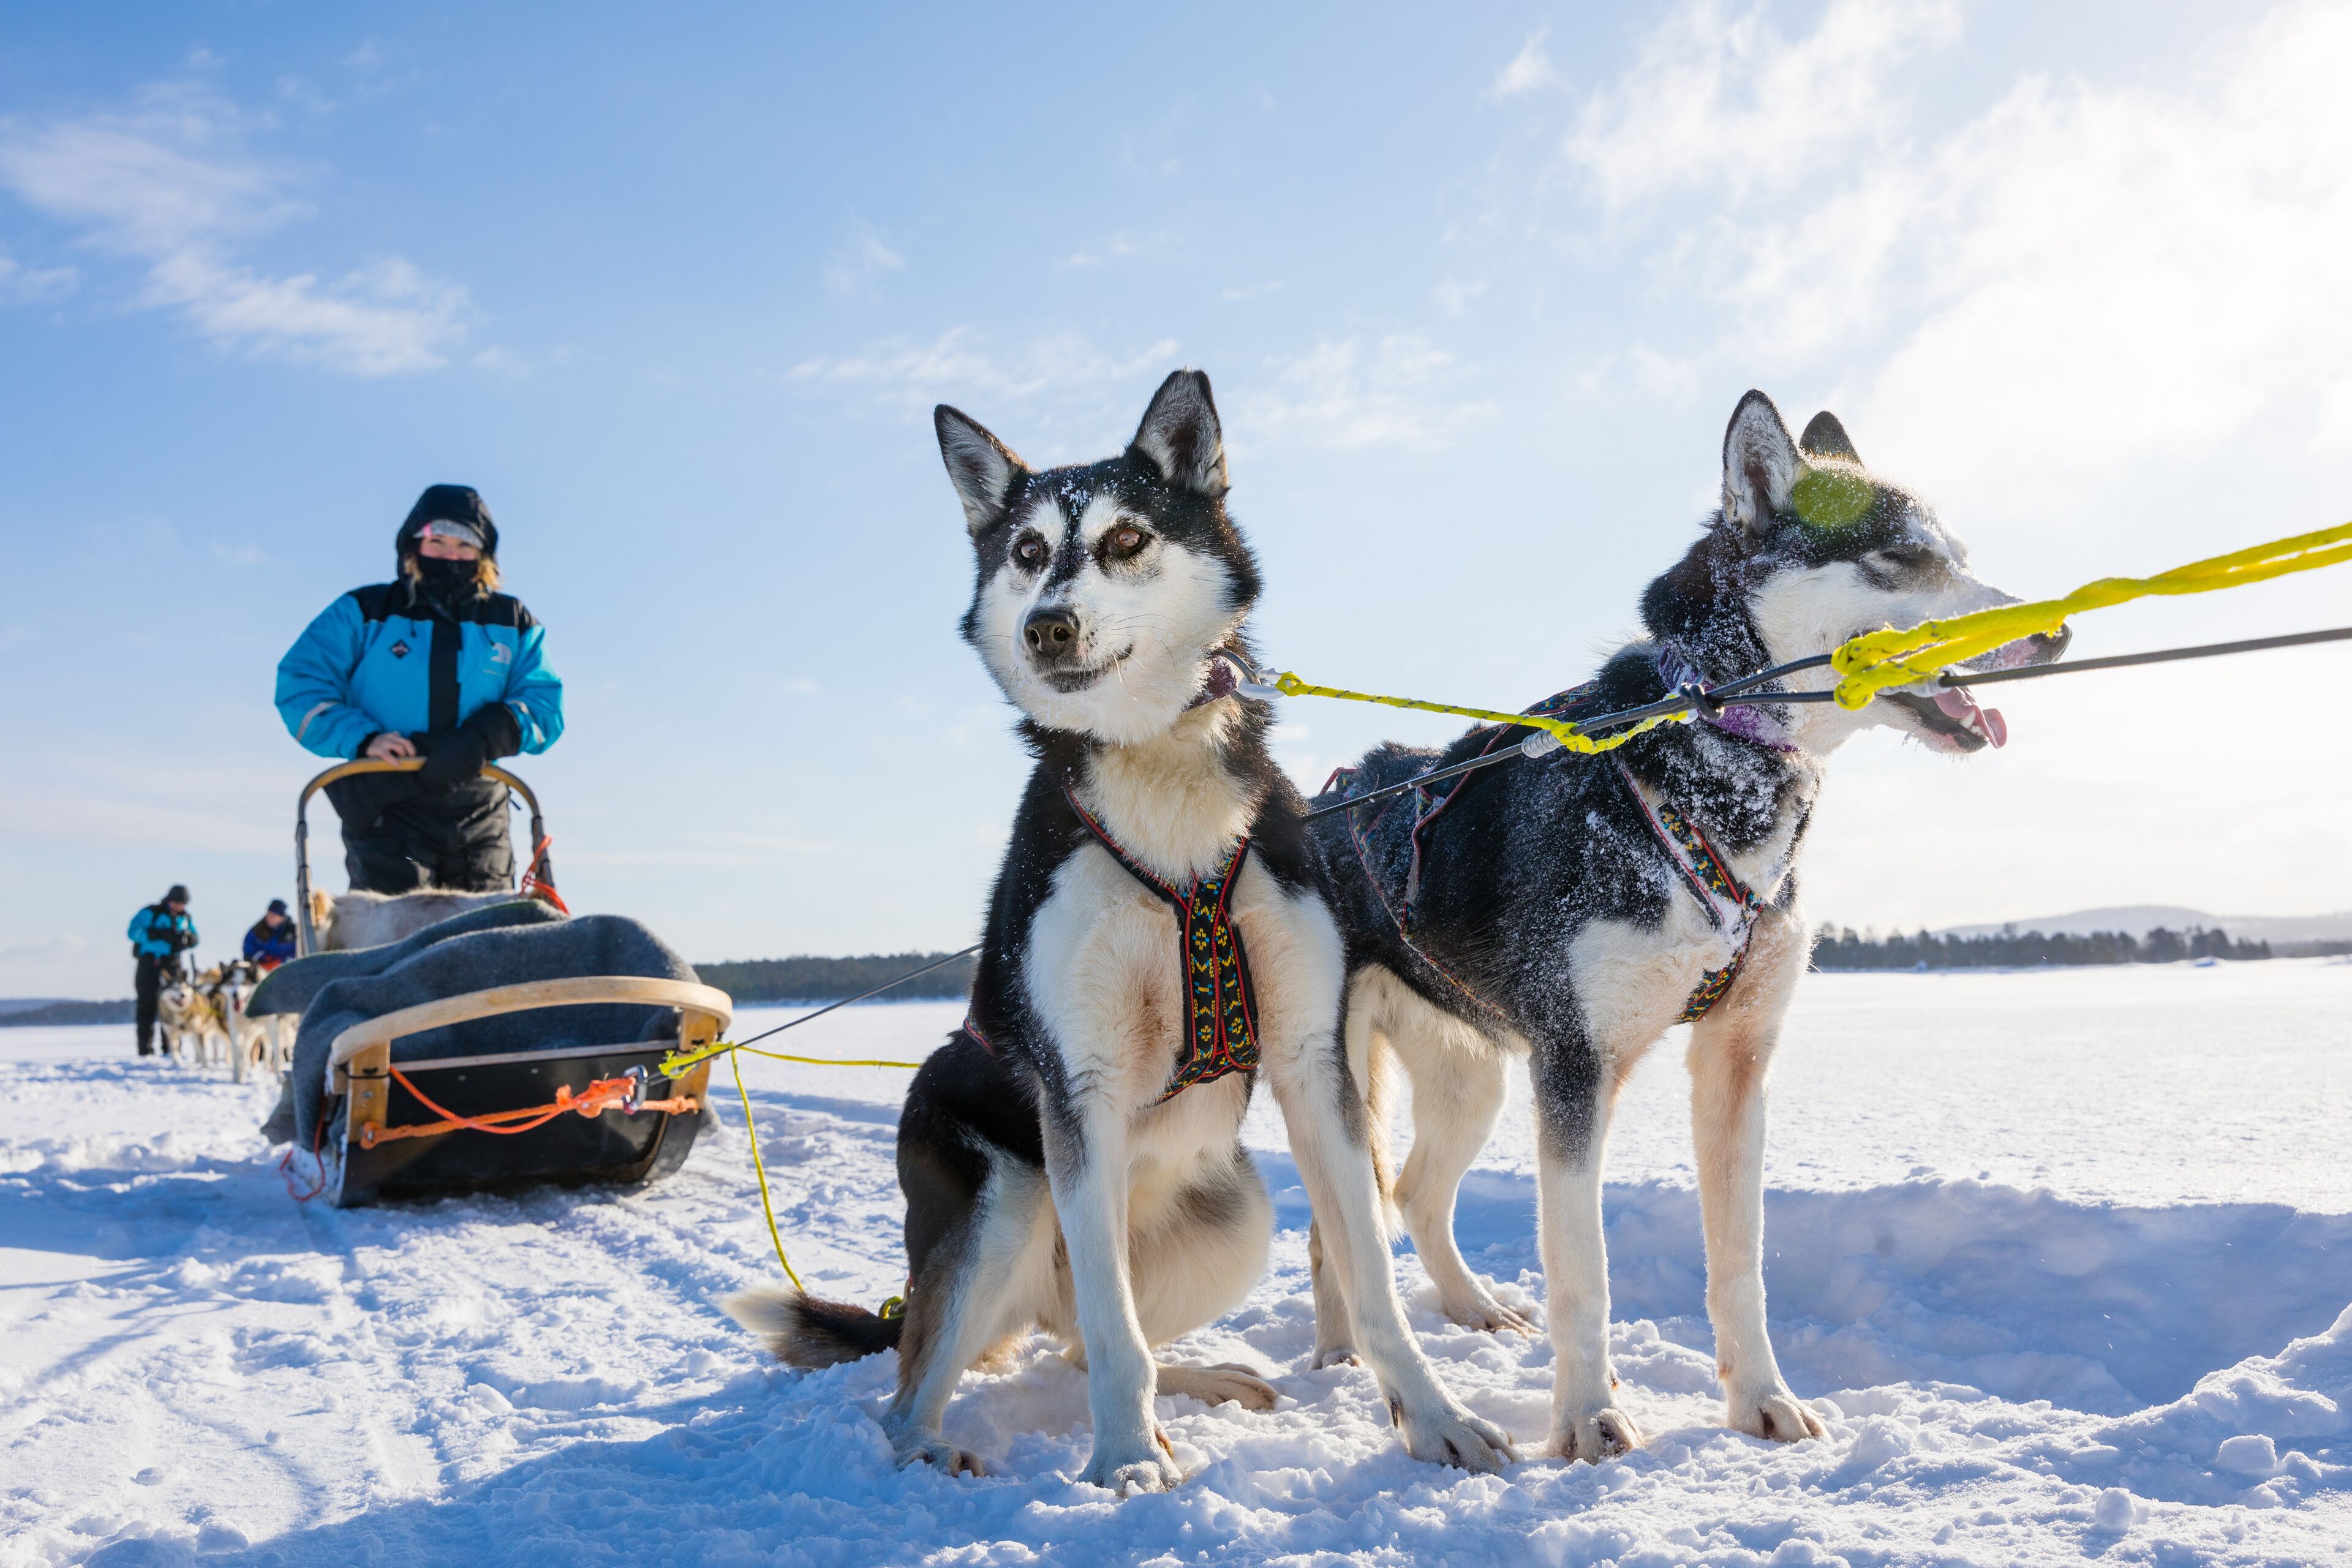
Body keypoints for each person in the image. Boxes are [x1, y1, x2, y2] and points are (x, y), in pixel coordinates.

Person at [274, 484, 564, 893]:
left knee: (487, 927)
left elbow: (543, 704)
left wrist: (483, 737)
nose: (450, 555)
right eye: (437, 542)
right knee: (397, 925)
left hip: (478, 808)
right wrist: (363, 738)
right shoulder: (364, 611)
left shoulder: (512, 621)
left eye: (464, 545)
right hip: (388, 801)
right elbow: (301, 685)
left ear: (483, 553)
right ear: (414, 545)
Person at [129, 886, 197, 1057]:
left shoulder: (185, 918)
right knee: (147, 1004)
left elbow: (195, 938)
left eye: (182, 904)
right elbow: (132, 932)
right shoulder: (151, 912)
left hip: (173, 963)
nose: (178, 907)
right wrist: (155, 935)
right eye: (175, 903)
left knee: (174, 1005)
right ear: (168, 900)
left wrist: (189, 939)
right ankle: (145, 1050)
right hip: (150, 961)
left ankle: (172, 1049)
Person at [243, 899, 297, 970]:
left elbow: (298, 953)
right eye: (269, 914)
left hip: (286, 971)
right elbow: (248, 950)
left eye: (274, 916)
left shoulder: (294, 932)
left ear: (282, 917)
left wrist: (280, 962)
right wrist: (264, 958)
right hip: (259, 970)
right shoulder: (257, 930)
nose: (270, 918)